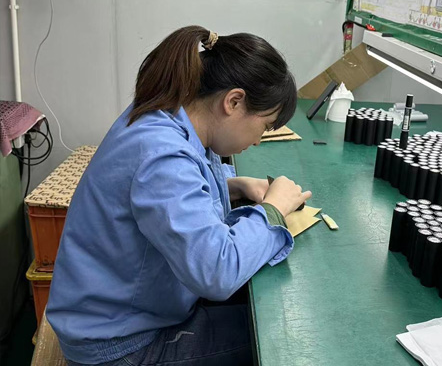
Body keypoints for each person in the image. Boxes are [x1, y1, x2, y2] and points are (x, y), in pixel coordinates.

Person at [46, 25, 312, 366]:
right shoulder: (162, 154)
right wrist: (274, 210)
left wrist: (236, 185)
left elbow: (172, 192)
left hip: (119, 318)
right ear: (233, 101)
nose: (259, 140)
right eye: (264, 125)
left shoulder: (167, 115)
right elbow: (217, 273)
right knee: (287, 337)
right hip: (122, 348)